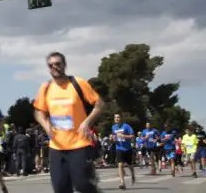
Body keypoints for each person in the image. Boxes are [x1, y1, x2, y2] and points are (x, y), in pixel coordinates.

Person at [33, 52, 104, 193]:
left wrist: (87, 122)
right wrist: (47, 127)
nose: (55, 67)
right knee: (60, 187)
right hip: (57, 146)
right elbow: (38, 112)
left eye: (58, 64)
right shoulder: (45, 88)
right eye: (51, 65)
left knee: (82, 184)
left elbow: (99, 104)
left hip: (79, 143)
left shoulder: (78, 83)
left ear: (64, 65)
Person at [111, 114, 135, 189]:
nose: (117, 119)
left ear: (121, 118)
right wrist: (113, 139)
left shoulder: (126, 126)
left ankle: (133, 175)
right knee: (120, 165)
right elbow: (114, 137)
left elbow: (132, 136)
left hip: (127, 149)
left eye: (118, 117)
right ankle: (122, 183)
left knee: (130, 165)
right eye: (115, 117)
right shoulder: (113, 127)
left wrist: (124, 136)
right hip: (119, 148)